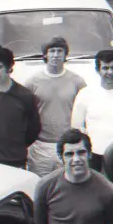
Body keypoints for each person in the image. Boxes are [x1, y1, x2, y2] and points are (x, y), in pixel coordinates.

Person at [24, 37, 87, 176]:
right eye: (52, 51)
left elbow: (85, 113)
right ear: (45, 55)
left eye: (60, 51)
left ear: (65, 55)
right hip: (40, 145)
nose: (56, 55)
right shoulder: (32, 82)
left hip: (67, 145)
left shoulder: (77, 81)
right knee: (39, 182)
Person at [70, 49, 113, 170]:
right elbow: (76, 128)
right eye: (105, 68)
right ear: (98, 70)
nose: (110, 72)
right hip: (92, 157)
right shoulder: (85, 94)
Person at [0, 46, 40, 168]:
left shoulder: (25, 96)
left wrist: (17, 146)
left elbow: (34, 129)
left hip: (16, 160)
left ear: (9, 68)